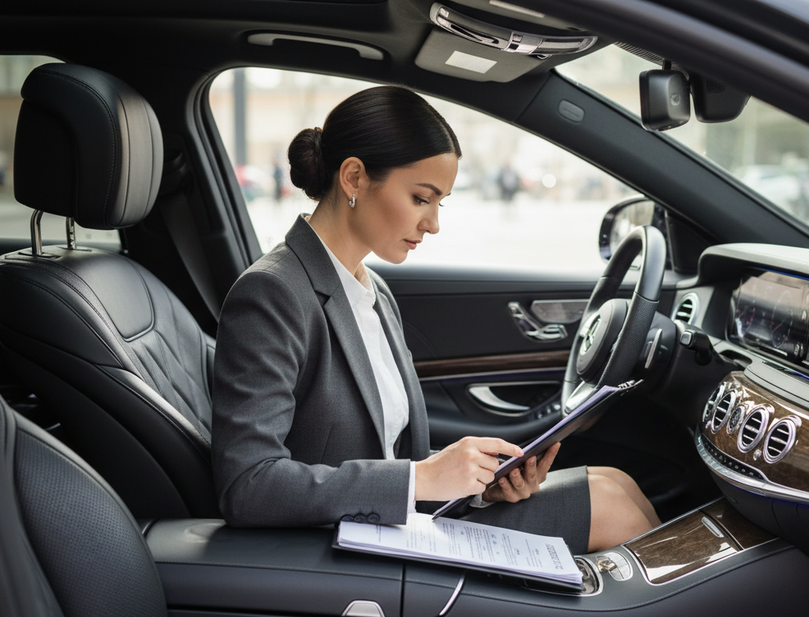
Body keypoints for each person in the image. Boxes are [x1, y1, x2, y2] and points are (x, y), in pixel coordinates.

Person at [212, 86, 659, 554]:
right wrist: (424, 477)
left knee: (615, 482)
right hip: (337, 547)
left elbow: (389, 455)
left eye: (439, 203)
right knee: (612, 506)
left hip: (397, 522)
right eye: (421, 198)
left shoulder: (371, 289)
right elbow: (248, 485)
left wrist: (475, 482)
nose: (433, 224)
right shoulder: (272, 293)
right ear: (354, 178)